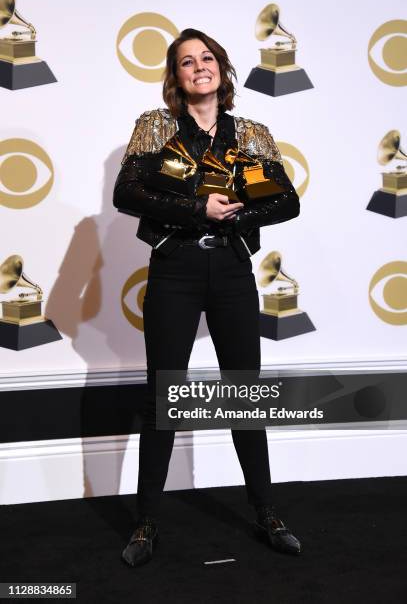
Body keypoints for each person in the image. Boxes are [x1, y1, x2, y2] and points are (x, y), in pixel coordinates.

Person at [113, 28, 301, 568]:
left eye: (208, 58)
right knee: (163, 397)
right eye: (187, 61)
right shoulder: (156, 127)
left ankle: (267, 511)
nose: (200, 66)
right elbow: (127, 194)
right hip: (175, 268)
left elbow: (286, 201)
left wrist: (238, 209)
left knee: (245, 391)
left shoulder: (249, 133)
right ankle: (148, 522)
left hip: (233, 269)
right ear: (176, 77)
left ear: (222, 68)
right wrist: (199, 211)